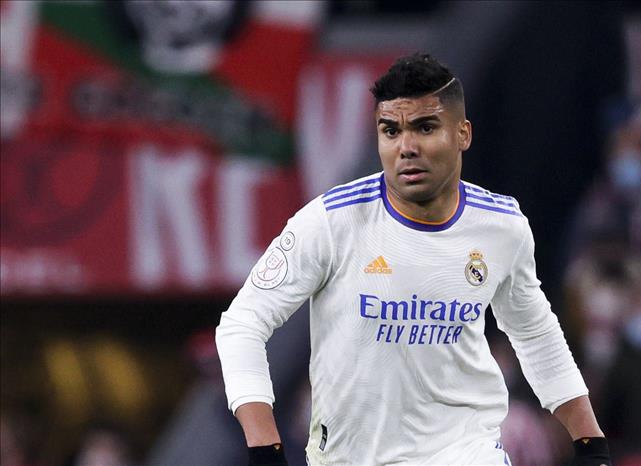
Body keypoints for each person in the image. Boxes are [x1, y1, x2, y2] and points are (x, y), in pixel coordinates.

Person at [216, 53, 611, 466]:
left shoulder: (501, 226)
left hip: (467, 453)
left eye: (425, 127)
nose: (406, 148)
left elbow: (534, 334)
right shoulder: (331, 222)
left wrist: (590, 442)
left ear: (462, 134)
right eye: (391, 131)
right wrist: (265, 449)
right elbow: (242, 324)